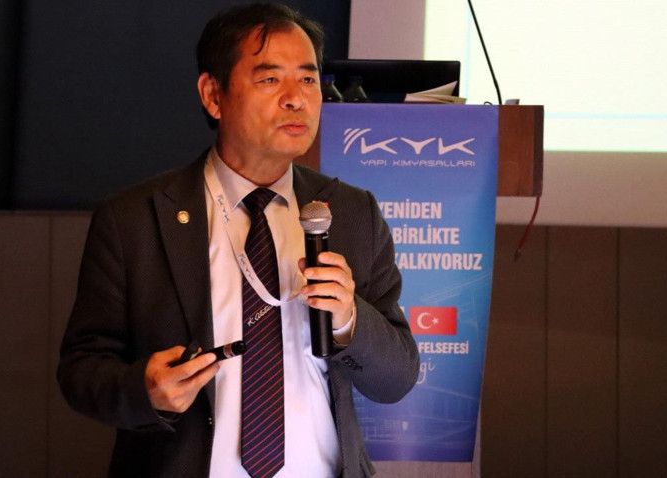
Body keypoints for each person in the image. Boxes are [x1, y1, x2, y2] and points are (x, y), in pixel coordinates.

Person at [57, 3, 418, 477]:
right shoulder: (134, 220)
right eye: (270, 79)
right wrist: (144, 390)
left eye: (308, 79)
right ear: (213, 95)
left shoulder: (350, 213)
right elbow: (81, 370)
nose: (296, 99)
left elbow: (397, 378)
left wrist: (350, 318)